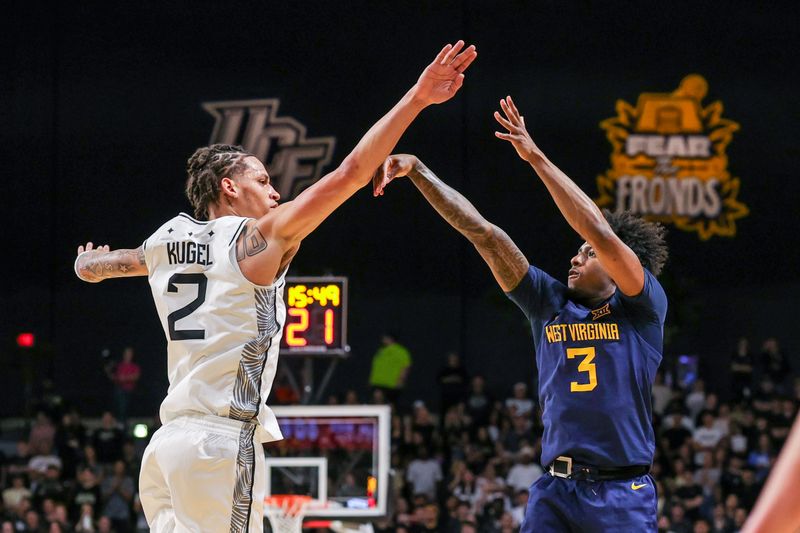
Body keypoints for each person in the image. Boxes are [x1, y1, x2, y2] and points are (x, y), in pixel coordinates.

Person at [73, 40, 477, 532]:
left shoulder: (164, 240)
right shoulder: (258, 238)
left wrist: (87, 265)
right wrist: (416, 98)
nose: (275, 191)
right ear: (228, 185)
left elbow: (118, 263)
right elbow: (351, 172)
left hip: (166, 448)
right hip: (219, 444)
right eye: (262, 181)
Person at [373, 95, 668, 531]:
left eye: (587, 255)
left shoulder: (642, 310)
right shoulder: (548, 303)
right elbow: (484, 233)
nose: (575, 259)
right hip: (555, 490)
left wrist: (536, 158)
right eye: (576, 253)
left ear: (623, 263)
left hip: (621, 493)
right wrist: (419, 170)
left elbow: (599, 231)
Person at [368, 332, 413, 406]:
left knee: (391, 406)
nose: (383, 340)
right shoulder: (381, 351)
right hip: (377, 383)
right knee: (376, 404)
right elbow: (376, 366)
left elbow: (406, 366)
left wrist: (400, 380)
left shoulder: (401, 351)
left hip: (391, 385)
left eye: (385, 338)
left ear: (391, 339)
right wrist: (371, 380)